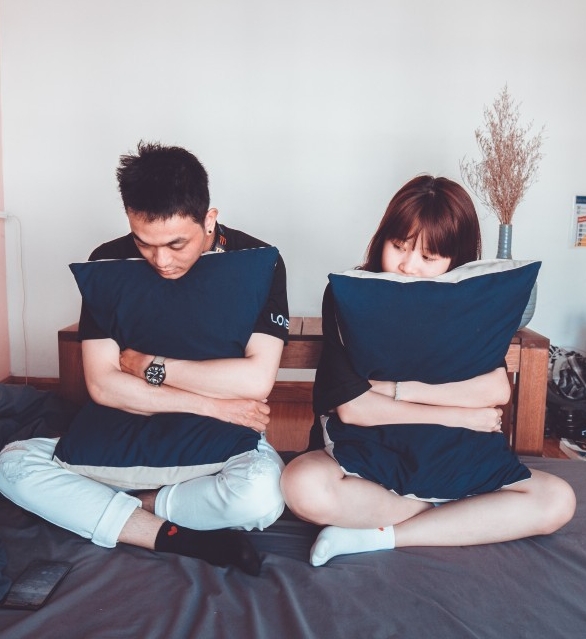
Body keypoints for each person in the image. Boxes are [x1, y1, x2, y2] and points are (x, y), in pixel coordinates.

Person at [0, 142, 289, 576]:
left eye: (176, 243)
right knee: (12, 467)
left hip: (216, 438)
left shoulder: (259, 261)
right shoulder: (108, 261)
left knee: (262, 496)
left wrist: (147, 366)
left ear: (209, 218)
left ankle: (129, 510)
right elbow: (103, 385)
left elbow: (254, 382)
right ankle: (171, 533)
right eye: (145, 243)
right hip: (132, 430)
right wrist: (210, 401)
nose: (161, 260)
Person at [280, 175, 576, 567]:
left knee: (558, 500)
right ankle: (463, 522)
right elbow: (355, 409)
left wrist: (392, 388)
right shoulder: (350, 295)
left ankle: (382, 534)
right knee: (301, 486)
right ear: (382, 239)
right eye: (399, 246)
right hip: (371, 453)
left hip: (455, 455)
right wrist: (461, 413)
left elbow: (494, 390)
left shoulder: (469, 303)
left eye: (429, 257)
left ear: (455, 260)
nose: (407, 266)